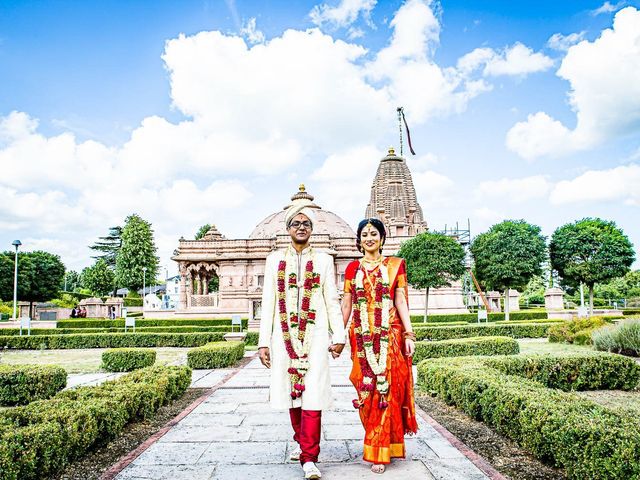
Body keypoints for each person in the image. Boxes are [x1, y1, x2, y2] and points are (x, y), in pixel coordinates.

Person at [258, 198, 346, 480]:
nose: (301, 227)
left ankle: (310, 457)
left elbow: (332, 299)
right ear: (288, 228)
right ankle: (301, 442)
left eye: (306, 224)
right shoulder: (274, 260)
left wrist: (339, 335)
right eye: (296, 223)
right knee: (291, 394)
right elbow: (268, 301)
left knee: (314, 394)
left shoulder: (323, 259)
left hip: (316, 336)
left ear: (312, 229)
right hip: (283, 337)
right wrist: (263, 342)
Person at [341, 218, 418, 474]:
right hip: (361, 338)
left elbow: (400, 301)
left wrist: (409, 334)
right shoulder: (353, 268)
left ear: (382, 238)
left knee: (388, 391)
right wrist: (338, 335)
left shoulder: (395, 266)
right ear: (359, 240)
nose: (369, 238)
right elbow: (347, 304)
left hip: (390, 335)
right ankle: (376, 441)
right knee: (366, 392)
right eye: (365, 234)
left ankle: (383, 448)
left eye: (374, 234)